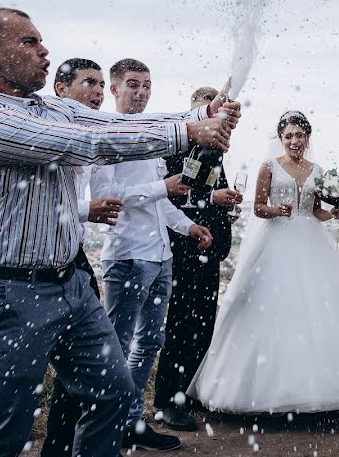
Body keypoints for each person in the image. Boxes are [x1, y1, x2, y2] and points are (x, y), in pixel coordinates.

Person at [0, 7, 239, 457]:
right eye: (29, 42)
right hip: (7, 291)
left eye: (41, 40)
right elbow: (87, 144)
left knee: (114, 396)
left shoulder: (51, 107)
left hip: (72, 283)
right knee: (4, 433)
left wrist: (202, 111)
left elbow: (114, 124)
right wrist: (190, 132)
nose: (45, 50)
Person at [188, 111, 339, 413]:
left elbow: (315, 211)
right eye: (288, 136)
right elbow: (256, 207)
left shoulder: (317, 169)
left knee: (321, 309)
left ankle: (327, 386)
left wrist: (334, 214)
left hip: (310, 241)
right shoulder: (268, 167)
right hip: (276, 242)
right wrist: (275, 211)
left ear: (307, 137)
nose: (294, 141)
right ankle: (262, 389)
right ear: (280, 139)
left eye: (299, 135)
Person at [90, 59, 215, 452]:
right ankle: (108, 426)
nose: (141, 92)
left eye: (146, 85)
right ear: (114, 89)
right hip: (127, 257)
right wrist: (162, 186)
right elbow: (109, 200)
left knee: (149, 342)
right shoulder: (106, 136)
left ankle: (132, 422)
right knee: (119, 345)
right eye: (132, 85)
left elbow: (161, 204)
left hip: (161, 257)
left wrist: (188, 227)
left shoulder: (149, 137)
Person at [41, 58, 122, 457]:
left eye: (102, 85)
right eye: (89, 82)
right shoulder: (48, 131)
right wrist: (88, 210)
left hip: (72, 259)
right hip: (38, 267)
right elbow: (40, 203)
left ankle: (67, 444)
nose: (98, 91)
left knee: (91, 372)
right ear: (60, 89)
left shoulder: (86, 131)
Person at [152, 86, 243, 431]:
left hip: (210, 249)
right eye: (208, 112)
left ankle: (188, 394)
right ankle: (167, 402)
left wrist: (225, 206)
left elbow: (208, 191)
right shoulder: (176, 147)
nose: (214, 119)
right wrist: (211, 197)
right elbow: (173, 194)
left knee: (202, 326)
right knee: (180, 325)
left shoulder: (215, 148)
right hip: (185, 251)